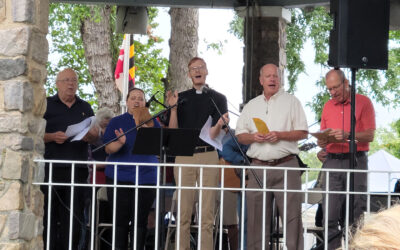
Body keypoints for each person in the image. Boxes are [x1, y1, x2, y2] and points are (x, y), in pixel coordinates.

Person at [236, 63, 308, 250]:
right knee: (255, 220)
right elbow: (240, 135)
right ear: (261, 80)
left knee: (292, 218)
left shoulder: (292, 102)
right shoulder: (251, 105)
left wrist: (280, 135)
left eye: (275, 76)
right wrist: (253, 137)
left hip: (287, 166)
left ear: (280, 79)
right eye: (268, 76)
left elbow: (303, 132)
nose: (272, 79)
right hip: (258, 168)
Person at [166, 57, 229, 250]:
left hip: (208, 154)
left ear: (207, 71)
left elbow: (218, 132)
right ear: (189, 74)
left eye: (201, 67)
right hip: (184, 155)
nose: (197, 71)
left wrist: (219, 125)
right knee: (183, 212)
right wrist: (174, 109)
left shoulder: (218, 98)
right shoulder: (181, 97)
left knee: (207, 212)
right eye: (193, 69)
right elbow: (173, 131)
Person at [317, 69, 375, 250]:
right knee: (330, 213)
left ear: (346, 83)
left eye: (335, 88)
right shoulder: (327, 106)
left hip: (356, 160)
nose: (333, 92)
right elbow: (323, 136)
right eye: (329, 89)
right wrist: (322, 146)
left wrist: (348, 135)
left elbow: (370, 135)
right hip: (332, 161)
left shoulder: (363, 102)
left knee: (356, 211)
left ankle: (354, 247)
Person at [43, 68, 98, 250]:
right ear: (57, 84)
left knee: (73, 219)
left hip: (77, 171)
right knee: (48, 217)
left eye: (74, 80)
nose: (70, 84)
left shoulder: (85, 107)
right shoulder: (46, 105)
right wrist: (51, 137)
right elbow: (34, 133)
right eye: (66, 80)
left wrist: (90, 136)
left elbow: (95, 135)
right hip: (51, 170)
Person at [102, 87, 160, 250]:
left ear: (144, 102)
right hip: (120, 178)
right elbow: (107, 149)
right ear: (127, 102)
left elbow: (158, 147)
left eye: (140, 98)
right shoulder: (117, 121)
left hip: (146, 178)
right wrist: (119, 143)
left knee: (140, 221)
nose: (137, 101)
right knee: (120, 221)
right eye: (133, 98)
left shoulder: (152, 122)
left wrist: (145, 130)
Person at [219, 136, 250, 250]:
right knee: (244, 221)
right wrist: (242, 160)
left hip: (262, 181)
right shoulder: (244, 135)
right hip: (242, 183)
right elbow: (225, 150)